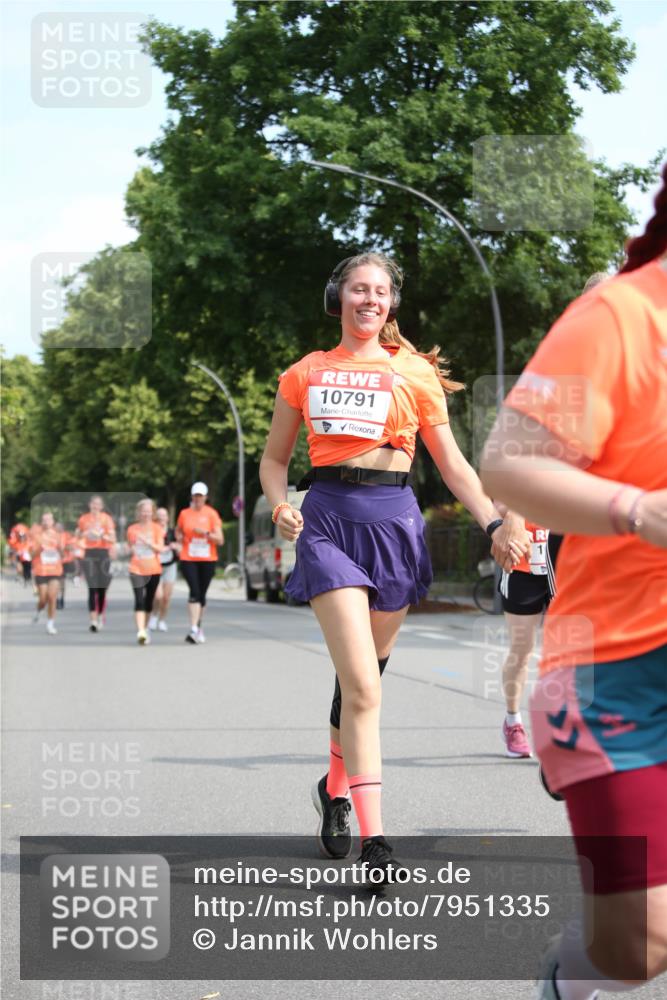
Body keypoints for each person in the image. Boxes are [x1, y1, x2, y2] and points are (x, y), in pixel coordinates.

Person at [260, 251, 529, 881]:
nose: (369, 300)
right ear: (339, 297)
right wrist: (279, 507)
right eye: (358, 289)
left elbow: (454, 465)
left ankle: (333, 788)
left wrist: (492, 522)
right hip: (327, 522)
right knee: (365, 687)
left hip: (395, 526)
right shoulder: (305, 372)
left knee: (364, 679)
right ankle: (377, 842)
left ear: (391, 305)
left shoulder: (414, 374)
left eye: (379, 291)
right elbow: (274, 463)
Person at [480, 165, 667, 999]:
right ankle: (570, 975)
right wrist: (634, 509)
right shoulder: (619, 316)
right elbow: (508, 463)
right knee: (639, 947)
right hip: (614, 666)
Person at [498, 519, 562, 757]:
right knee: (522, 650)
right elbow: (499, 502)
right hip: (522, 563)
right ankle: (513, 722)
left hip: (563, 558)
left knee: (566, 652)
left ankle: (560, 730)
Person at [175, 483, 224, 644]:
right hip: (188, 558)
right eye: (195, 496)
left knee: (201, 595)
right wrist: (180, 538)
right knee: (194, 592)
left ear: (205, 497)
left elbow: (220, 539)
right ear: (192, 497)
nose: (197, 499)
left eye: (200, 496)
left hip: (208, 559)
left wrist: (205, 533)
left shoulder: (212, 514)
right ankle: (193, 628)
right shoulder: (184, 514)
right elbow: (178, 531)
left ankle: (198, 626)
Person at [126, 499, 164, 645]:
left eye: (149, 511)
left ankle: (145, 627)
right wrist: (131, 549)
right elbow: (131, 548)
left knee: (149, 601)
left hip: (153, 569)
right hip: (136, 569)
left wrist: (147, 542)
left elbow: (160, 548)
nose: (146, 514)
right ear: (139, 512)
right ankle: (141, 631)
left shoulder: (157, 529)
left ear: (152, 513)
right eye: (143, 511)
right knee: (139, 600)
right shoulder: (132, 529)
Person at [76, 496, 116, 632]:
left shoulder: (106, 519)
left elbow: (113, 537)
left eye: (98, 504)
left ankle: (99, 615)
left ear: (102, 506)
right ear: (89, 504)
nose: (95, 506)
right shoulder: (84, 519)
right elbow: (78, 535)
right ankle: (93, 620)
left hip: (103, 553)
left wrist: (102, 535)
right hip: (89, 553)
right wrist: (86, 533)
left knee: (102, 587)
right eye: (93, 503)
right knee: (92, 587)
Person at [30, 511, 64, 634]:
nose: (46, 522)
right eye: (44, 520)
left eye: (49, 520)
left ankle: (50, 623)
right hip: (41, 570)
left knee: (52, 597)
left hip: (55, 570)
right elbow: (31, 554)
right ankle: (39, 610)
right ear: (41, 522)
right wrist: (39, 549)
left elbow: (63, 554)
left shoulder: (58, 535)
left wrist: (60, 549)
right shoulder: (37, 535)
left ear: (53, 522)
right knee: (43, 598)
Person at [149, 507, 180, 632]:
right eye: (159, 516)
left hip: (170, 566)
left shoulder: (173, 532)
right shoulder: (152, 532)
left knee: (166, 597)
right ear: (156, 518)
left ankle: (162, 620)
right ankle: (153, 616)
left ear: (167, 518)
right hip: (155, 566)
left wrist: (175, 546)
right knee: (158, 596)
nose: (162, 518)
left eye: (164, 516)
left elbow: (180, 545)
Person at [8, 522, 32, 586]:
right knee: (20, 569)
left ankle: (27, 579)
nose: (22, 538)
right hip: (19, 558)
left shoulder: (28, 543)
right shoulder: (16, 543)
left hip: (27, 559)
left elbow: (31, 551)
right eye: (20, 536)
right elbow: (13, 551)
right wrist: (16, 554)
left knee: (27, 570)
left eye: (23, 536)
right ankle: (22, 577)